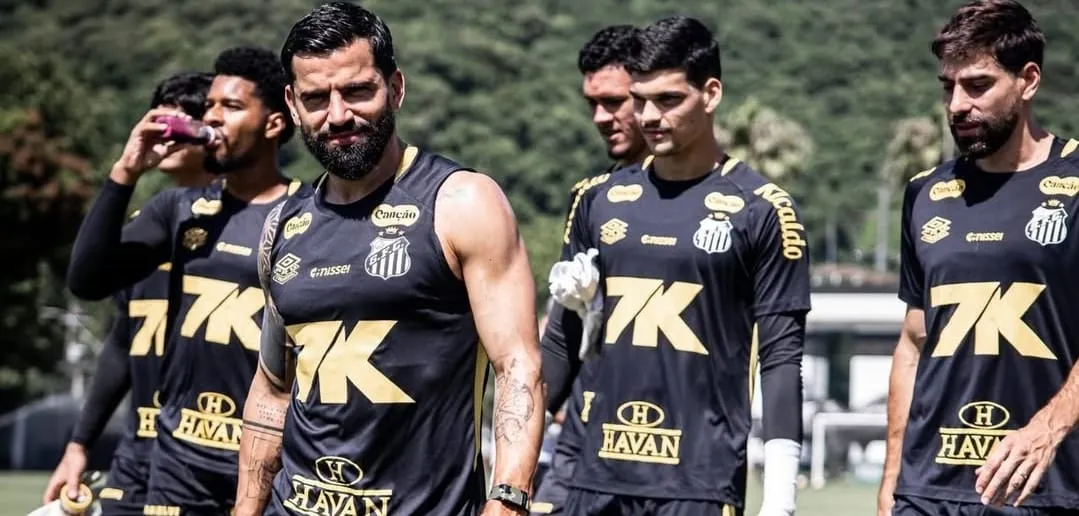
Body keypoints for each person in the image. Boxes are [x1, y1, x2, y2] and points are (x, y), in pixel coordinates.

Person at [233, 3, 545, 516]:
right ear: (292, 105)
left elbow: (518, 365)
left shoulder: (461, 202)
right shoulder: (283, 225)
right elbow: (272, 389)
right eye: (315, 99)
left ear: (395, 88)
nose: (337, 116)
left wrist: (508, 501)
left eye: (357, 91)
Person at [541, 15, 810, 516]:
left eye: (668, 100)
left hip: (698, 485)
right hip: (594, 480)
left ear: (710, 94)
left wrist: (780, 503)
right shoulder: (597, 200)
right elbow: (561, 343)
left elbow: (779, 363)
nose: (649, 116)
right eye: (640, 99)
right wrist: (514, 474)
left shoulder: (763, 209)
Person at [66, 46, 306, 515]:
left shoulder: (308, 217)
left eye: (231, 107)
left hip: (265, 464)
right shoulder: (176, 210)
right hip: (180, 467)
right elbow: (88, 280)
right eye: (210, 106)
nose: (213, 119)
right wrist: (126, 171)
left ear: (274, 124)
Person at [880, 1, 1079, 514]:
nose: (957, 105)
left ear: (1028, 81)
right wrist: (892, 477)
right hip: (929, 491)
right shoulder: (924, 193)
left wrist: (1048, 428)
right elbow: (912, 342)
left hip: (1045, 487)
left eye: (977, 85)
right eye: (948, 87)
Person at [42, 71, 214, 515]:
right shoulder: (149, 229)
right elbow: (123, 344)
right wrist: (79, 445)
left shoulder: (263, 228)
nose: (168, 133)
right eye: (162, 117)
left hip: (214, 466)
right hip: (138, 464)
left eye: (184, 120)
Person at [531, 23, 649, 515]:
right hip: (579, 452)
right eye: (592, 104)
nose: (601, 117)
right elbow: (563, 334)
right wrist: (521, 452)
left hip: (677, 457)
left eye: (615, 102)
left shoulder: (735, 204)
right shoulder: (591, 198)